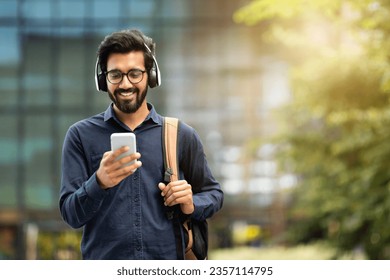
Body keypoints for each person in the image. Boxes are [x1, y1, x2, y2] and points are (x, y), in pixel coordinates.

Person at [59, 29, 224, 260]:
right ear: (102, 79)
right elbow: (71, 214)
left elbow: (214, 193)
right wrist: (98, 182)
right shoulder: (80, 135)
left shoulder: (180, 134)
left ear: (151, 75)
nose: (125, 84)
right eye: (115, 75)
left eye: (135, 73)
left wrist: (191, 203)